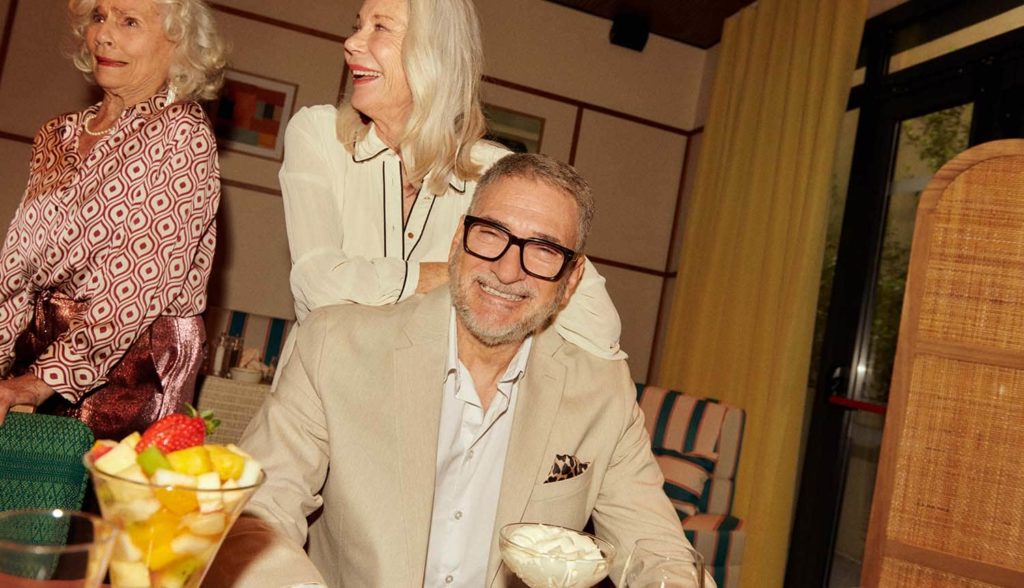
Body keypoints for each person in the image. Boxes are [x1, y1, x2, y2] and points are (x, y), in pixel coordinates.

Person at [208, 154, 708, 588]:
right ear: (457, 242)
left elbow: (657, 549)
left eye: (543, 250)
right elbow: (258, 509)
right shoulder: (334, 345)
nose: (508, 271)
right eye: (492, 235)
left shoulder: (602, 392)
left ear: (571, 279)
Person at [277, 0, 623, 363]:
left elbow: (599, 328)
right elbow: (317, 285)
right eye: (357, 25)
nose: (352, 43)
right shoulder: (318, 133)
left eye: (379, 27)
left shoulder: (494, 170)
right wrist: (462, 274)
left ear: (434, 52)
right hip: (314, 402)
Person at [0, 0, 226, 440]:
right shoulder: (56, 134)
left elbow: (139, 286)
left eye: (129, 21)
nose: (104, 34)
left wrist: (37, 382)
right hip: (42, 344)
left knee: (99, 502)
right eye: (99, 16)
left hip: (133, 363)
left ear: (177, 44)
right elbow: (14, 276)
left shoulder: (182, 133)